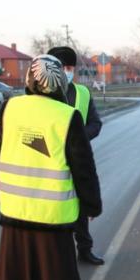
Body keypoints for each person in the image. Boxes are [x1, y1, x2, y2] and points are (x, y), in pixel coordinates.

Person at [0, 54, 102, 280]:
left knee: (24, 274)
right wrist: (91, 206)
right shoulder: (66, 116)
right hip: (53, 214)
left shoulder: (11, 108)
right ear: (59, 83)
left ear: (29, 80)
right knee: (55, 277)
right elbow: (83, 168)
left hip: (16, 210)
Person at [47, 46, 105, 265]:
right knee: (55, 209)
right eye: (62, 67)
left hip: (78, 160)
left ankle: (85, 249)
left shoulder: (83, 93)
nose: (67, 72)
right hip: (50, 162)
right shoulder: (42, 94)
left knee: (80, 206)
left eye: (70, 68)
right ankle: (57, 256)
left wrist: (77, 139)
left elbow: (95, 124)